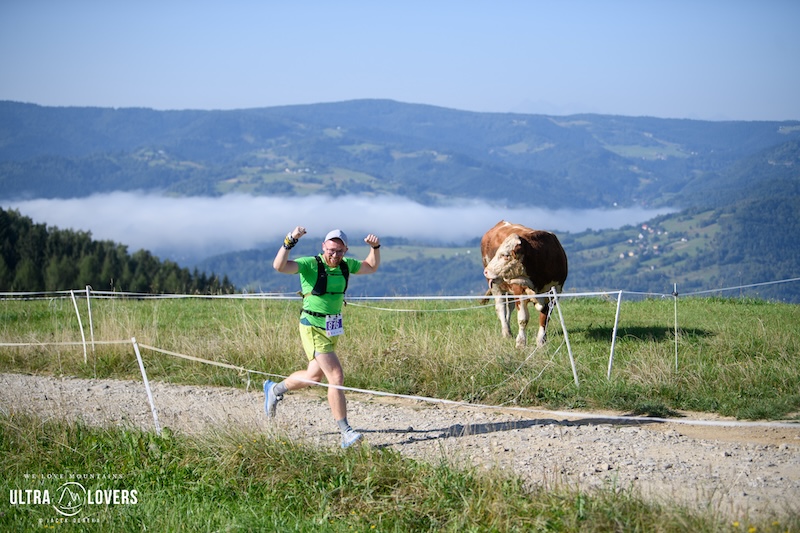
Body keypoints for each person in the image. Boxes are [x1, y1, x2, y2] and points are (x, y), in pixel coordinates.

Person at [264, 226, 381, 448]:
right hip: (312, 326)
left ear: (345, 250)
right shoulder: (311, 264)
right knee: (335, 376)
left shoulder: (346, 265)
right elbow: (279, 266)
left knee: (313, 376)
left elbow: (371, 266)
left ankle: (274, 389)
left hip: (331, 327)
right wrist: (290, 241)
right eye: (330, 250)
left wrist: (375, 247)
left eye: (339, 251)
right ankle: (345, 432)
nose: (334, 255)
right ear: (323, 247)